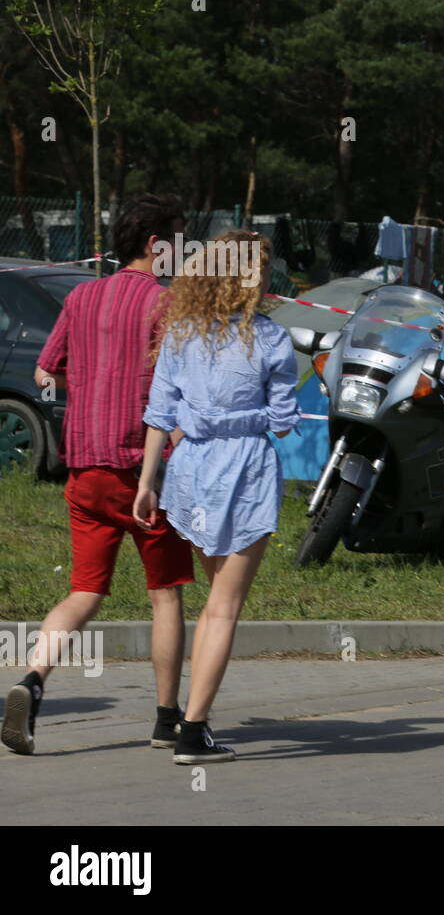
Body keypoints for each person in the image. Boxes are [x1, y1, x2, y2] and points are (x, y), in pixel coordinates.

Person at [4, 195, 195, 757]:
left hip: (84, 469)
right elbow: (181, 391)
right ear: (157, 245)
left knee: (84, 591)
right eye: (180, 242)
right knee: (166, 596)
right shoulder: (167, 305)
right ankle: (165, 719)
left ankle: (32, 679)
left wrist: (88, 386)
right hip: (144, 474)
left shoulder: (82, 296)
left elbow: (46, 371)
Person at [133, 230, 300, 765]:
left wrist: (145, 483)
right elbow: (282, 421)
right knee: (222, 608)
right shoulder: (272, 339)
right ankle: (193, 730)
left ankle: (185, 723)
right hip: (245, 468)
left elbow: (159, 413)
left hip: (190, 471)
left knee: (211, 603)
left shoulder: (182, 333)